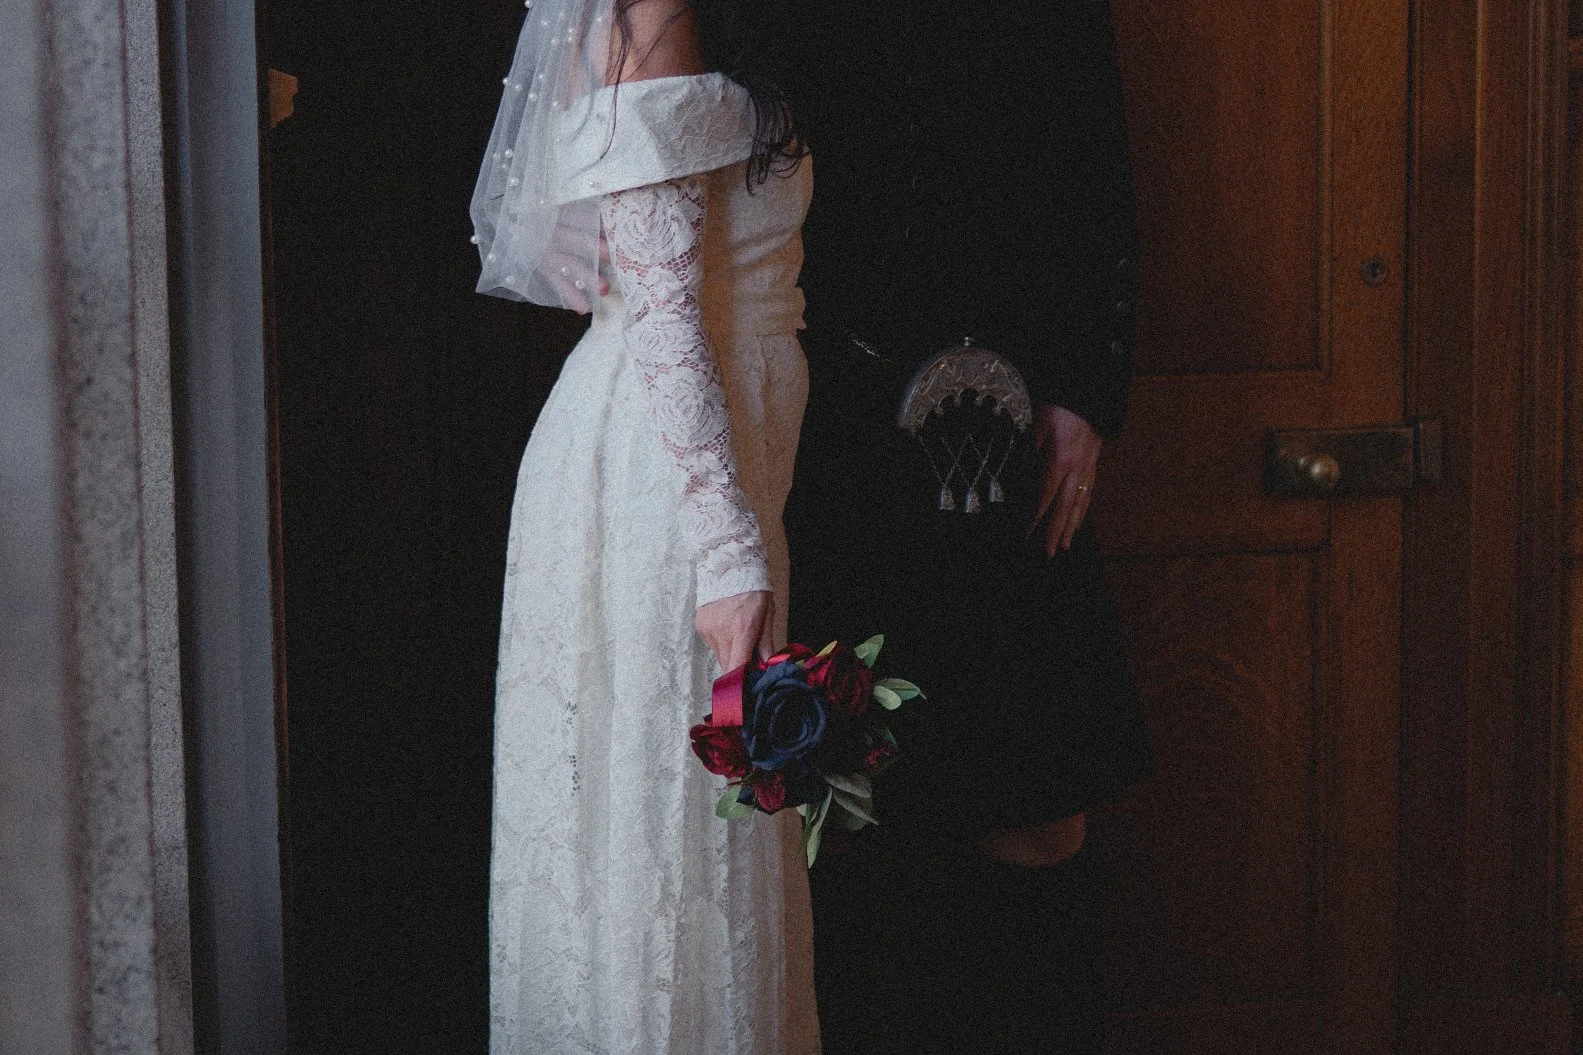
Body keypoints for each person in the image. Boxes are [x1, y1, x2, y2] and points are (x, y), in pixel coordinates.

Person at [780, 1, 1154, 1052]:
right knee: (822, 812)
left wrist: (1085, 389)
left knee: (1037, 807)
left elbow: (1093, 157)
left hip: (1009, 419)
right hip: (816, 428)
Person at [471, 1, 820, 1051]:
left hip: (718, 447)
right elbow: (663, 315)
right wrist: (725, 545)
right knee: (663, 840)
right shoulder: (648, 15)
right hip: (662, 481)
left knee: (692, 838)